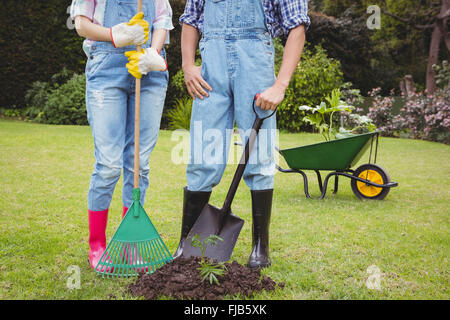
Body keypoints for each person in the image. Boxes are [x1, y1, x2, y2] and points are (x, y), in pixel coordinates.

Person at [174, 0, 310, 269]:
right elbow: (191, 19)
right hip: (211, 71)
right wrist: (188, 66)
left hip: (255, 63)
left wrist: (280, 85)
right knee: (203, 155)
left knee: (258, 157)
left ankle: (261, 246)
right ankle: (186, 243)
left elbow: (297, 26)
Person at [70, 0, 173, 271]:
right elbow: (80, 23)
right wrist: (116, 35)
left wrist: (154, 52)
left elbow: (162, 21)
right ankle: (97, 245)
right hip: (106, 69)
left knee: (139, 165)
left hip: (149, 71)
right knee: (108, 166)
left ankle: (130, 245)